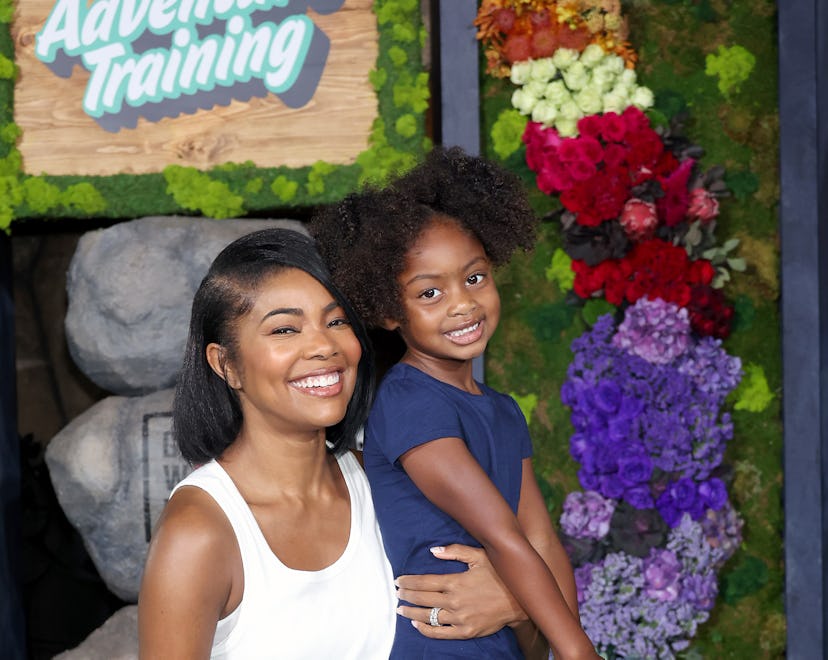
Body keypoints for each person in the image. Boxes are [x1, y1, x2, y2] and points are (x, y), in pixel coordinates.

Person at [137, 227, 537, 659]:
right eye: (285, 330)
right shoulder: (200, 532)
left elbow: (524, 649)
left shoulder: (385, 482)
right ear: (225, 363)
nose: (324, 346)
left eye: (336, 321)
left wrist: (514, 606)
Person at [310, 146, 600, 659]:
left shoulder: (503, 409)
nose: (463, 303)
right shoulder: (407, 400)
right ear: (388, 311)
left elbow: (542, 540)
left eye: (474, 277)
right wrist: (580, 653)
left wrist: (553, 652)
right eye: (429, 294)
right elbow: (503, 535)